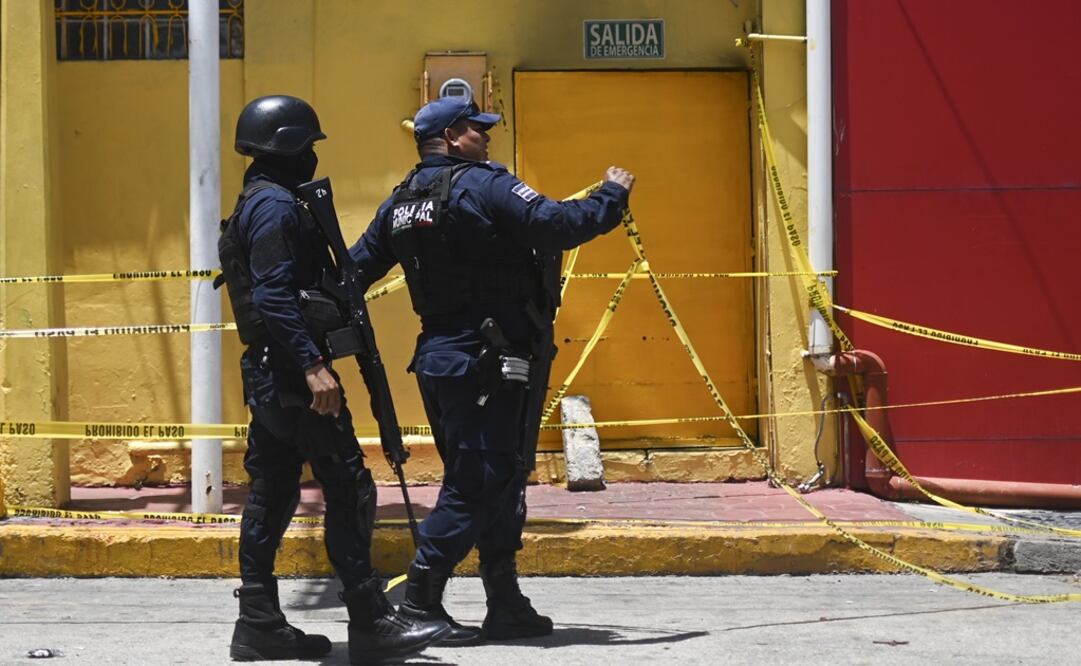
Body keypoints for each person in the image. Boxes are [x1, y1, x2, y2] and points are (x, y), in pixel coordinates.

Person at [349, 95, 635, 645]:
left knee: (500, 474)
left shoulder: (400, 203)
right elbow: (555, 223)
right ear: (454, 136)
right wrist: (611, 195)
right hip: (490, 360)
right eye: (479, 129)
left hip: (441, 360)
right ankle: (419, 599)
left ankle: (504, 599)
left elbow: (354, 272)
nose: (487, 137)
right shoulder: (485, 184)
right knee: (479, 482)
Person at [220, 95, 448, 663]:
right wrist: (313, 365)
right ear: (289, 144)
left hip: (271, 375)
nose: (313, 157)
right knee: (348, 486)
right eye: (309, 146)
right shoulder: (274, 207)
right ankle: (370, 621)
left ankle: (259, 624)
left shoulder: (260, 200)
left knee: (272, 493)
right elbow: (274, 294)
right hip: (295, 375)